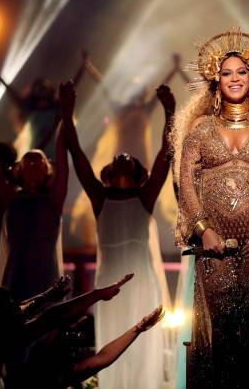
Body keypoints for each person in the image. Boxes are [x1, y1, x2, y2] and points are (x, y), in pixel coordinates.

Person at [172, 27, 249, 388]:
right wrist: (202, 229)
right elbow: (186, 184)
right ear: (215, 78)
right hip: (214, 250)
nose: (234, 79)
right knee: (222, 329)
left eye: (241, 72)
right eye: (226, 73)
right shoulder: (200, 127)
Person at [62, 83, 174, 389]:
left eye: (128, 157)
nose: (123, 155)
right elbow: (75, 151)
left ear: (138, 172)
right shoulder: (100, 198)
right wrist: (67, 110)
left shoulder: (145, 197)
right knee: (113, 345)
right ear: (108, 171)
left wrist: (169, 110)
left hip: (141, 284)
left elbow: (167, 152)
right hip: (110, 284)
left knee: (141, 344)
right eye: (118, 157)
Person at [0, 87, 69, 302]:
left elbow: (62, 148)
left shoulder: (54, 199)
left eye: (38, 159)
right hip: (16, 277)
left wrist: (66, 113)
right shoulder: (10, 197)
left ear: (47, 169)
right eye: (28, 159)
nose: (32, 161)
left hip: (46, 278)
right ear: (19, 169)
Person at [0, 52, 87, 158]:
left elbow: (72, 85)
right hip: (37, 151)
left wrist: (83, 65)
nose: (42, 89)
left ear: (50, 89)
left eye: (44, 86)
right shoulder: (30, 107)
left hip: (55, 152)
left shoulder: (55, 105)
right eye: (39, 87)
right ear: (34, 91)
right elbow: (8, 89)